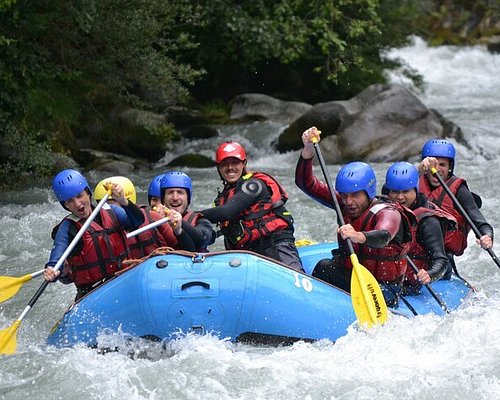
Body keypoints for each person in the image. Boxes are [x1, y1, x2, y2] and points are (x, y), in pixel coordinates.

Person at [295, 127, 415, 306]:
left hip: (381, 288)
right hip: (352, 277)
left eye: (355, 195)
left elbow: (383, 235)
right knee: (324, 266)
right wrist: (307, 151)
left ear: (369, 192)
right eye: (344, 195)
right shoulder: (343, 203)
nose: (349, 201)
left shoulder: (389, 212)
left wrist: (358, 236)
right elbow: (306, 183)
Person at [199, 141, 304, 271]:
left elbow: (227, 212)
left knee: (292, 279)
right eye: (225, 163)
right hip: (250, 251)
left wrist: (193, 215)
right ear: (218, 167)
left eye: (235, 162)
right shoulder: (223, 197)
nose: (230, 167)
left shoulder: (253, 185)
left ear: (244, 164)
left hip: (275, 244)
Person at [43, 169, 144, 300]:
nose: (77, 204)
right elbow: (55, 262)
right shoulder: (67, 228)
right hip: (94, 292)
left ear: (88, 193)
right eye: (70, 201)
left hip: (124, 278)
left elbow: (137, 221)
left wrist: (123, 201)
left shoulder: (111, 210)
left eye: (79, 196)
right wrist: (52, 271)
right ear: (65, 205)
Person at [418, 139, 494, 278]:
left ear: (450, 167)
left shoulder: (459, 190)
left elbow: (480, 222)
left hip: (440, 259)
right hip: (412, 256)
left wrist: (487, 236)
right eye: (434, 164)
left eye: (443, 165)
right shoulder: (411, 183)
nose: (438, 169)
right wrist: (417, 169)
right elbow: (388, 194)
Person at [383, 162, 451, 294]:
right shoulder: (382, 211)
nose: (400, 197)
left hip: (411, 284)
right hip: (387, 279)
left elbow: (440, 259)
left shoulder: (428, 221)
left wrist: (430, 274)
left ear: (415, 190)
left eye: (405, 191)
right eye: (395, 191)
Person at [94, 176, 196, 257]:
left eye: (113, 202)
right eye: (104, 204)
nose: (110, 209)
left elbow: (188, 250)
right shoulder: (99, 228)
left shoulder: (153, 217)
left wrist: (178, 230)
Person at [160, 171, 216, 252]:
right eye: (170, 192)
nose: (175, 198)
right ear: (163, 199)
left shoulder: (201, 221)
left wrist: (180, 224)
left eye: (180, 192)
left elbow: (202, 240)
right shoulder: (154, 220)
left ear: (188, 198)